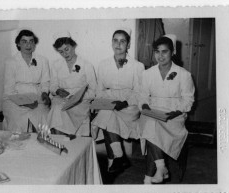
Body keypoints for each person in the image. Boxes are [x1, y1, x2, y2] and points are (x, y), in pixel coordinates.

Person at [138, 34, 195, 184]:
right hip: (153, 112)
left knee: (151, 127)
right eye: (157, 51)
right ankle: (157, 171)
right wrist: (144, 106)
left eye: (165, 51)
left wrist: (175, 112)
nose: (160, 56)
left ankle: (151, 176)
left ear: (173, 52)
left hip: (175, 116)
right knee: (151, 122)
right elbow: (142, 96)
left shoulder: (184, 75)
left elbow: (188, 101)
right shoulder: (147, 74)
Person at [91, 28, 145, 173]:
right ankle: (116, 160)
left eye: (122, 41)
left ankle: (117, 158)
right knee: (107, 112)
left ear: (128, 45)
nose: (118, 44)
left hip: (129, 106)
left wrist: (125, 102)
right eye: (115, 40)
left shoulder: (137, 66)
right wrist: (103, 102)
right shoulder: (103, 64)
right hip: (110, 103)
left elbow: (140, 93)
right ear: (111, 43)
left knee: (106, 114)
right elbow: (99, 90)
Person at [47, 31, 97, 136]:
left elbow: (94, 91)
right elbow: (52, 85)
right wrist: (57, 90)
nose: (65, 54)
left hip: (80, 102)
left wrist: (79, 97)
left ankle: (67, 143)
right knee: (57, 109)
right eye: (61, 52)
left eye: (67, 49)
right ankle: (59, 142)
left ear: (73, 46)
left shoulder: (86, 65)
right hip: (62, 100)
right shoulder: (56, 65)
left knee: (59, 111)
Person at [2, 29, 51, 132]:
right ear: (18, 44)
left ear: (34, 43)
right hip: (14, 98)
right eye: (24, 41)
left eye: (31, 41)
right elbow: (9, 90)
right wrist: (24, 102)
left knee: (43, 116)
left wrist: (45, 93)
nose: (28, 45)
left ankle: (40, 145)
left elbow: (45, 82)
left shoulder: (43, 60)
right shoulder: (11, 62)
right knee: (20, 119)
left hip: (36, 96)